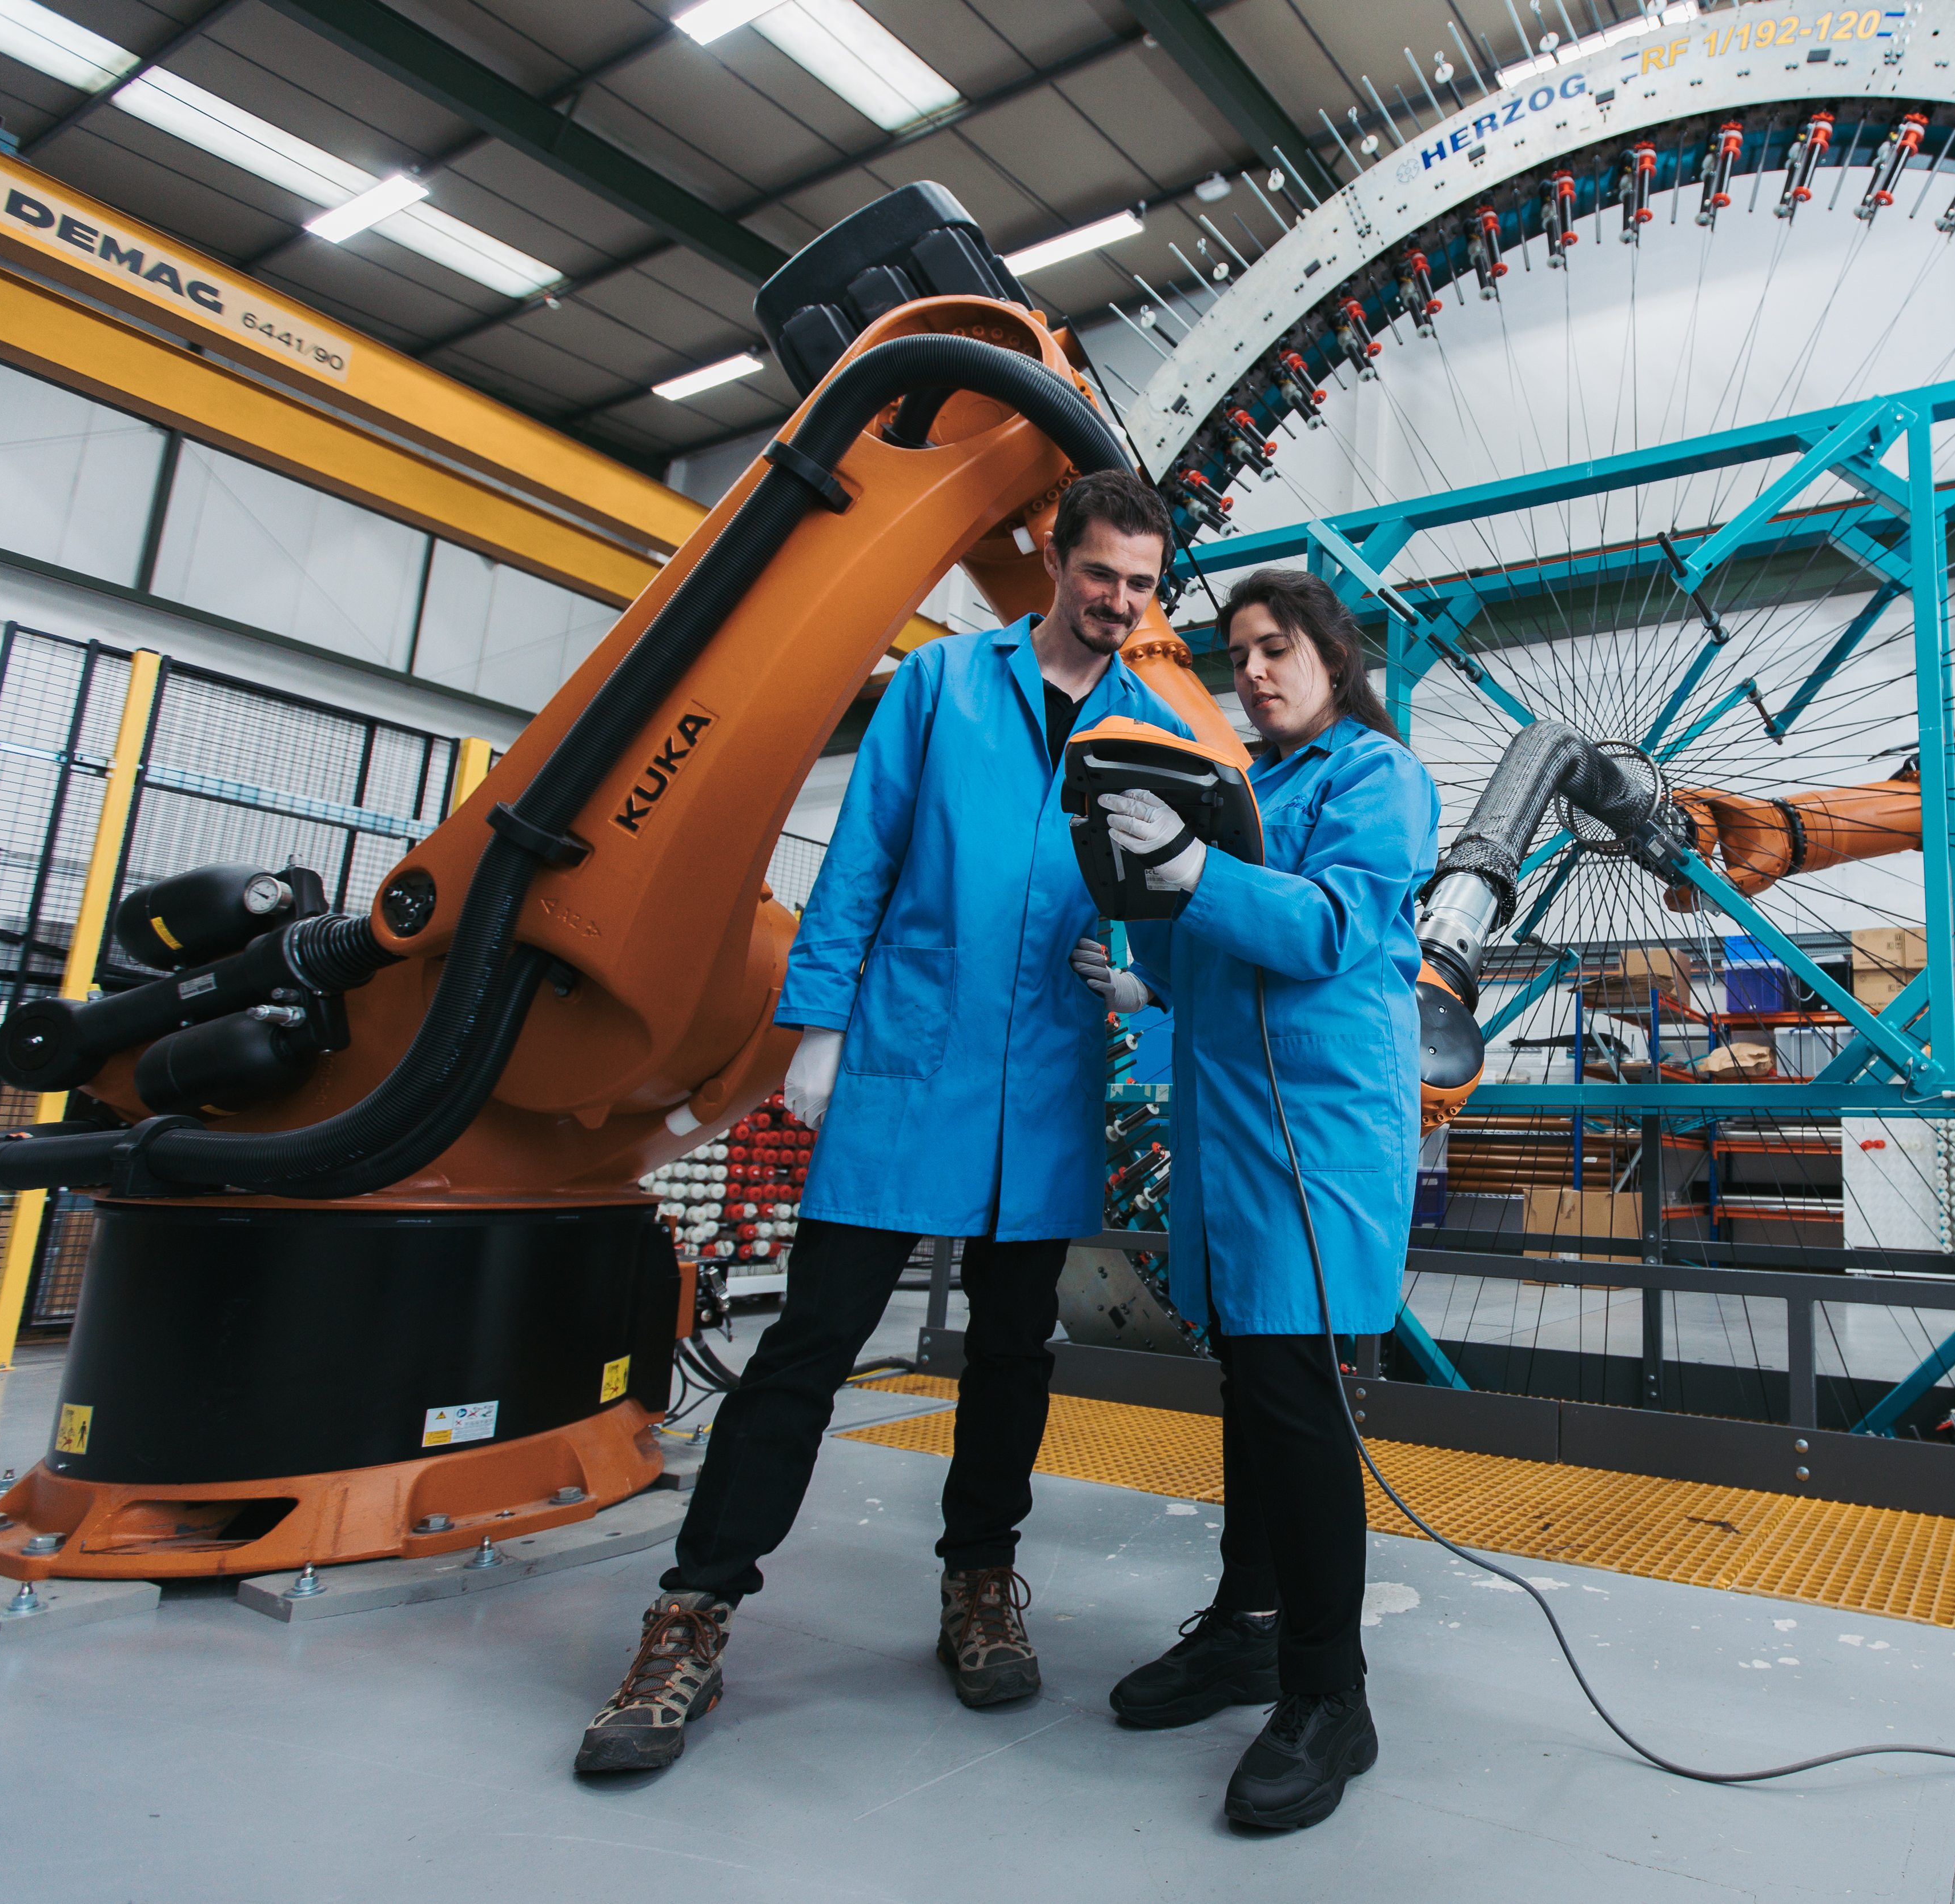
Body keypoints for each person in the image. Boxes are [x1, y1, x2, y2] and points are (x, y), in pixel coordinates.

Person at [576, 470, 1197, 1774]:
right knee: (811, 1342)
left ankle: (979, 1582)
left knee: (1015, 1352)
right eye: (1102, 575)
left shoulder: (1149, 724)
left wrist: (1144, 975)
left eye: (1142, 585)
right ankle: (691, 1612)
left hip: (1044, 1078)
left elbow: (1160, 889)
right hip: (907, 1060)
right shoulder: (941, 685)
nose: (1119, 602)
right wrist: (821, 1023)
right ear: (1053, 553)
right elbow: (862, 853)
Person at [1069, 567, 1439, 1830]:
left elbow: (1329, 927)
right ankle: (1248, 1625)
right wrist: (1139, 943)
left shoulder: (1374, 777)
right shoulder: (1241, 787)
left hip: (1322, 1132)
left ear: (1333, 654)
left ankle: (1333, 1692)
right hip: (1228, 1129)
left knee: (1296, 1394)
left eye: (1277, 648)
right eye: (1239, 656)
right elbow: (1202, 946)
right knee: (1249, 1377)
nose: (1257, 672)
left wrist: (1190, 869)